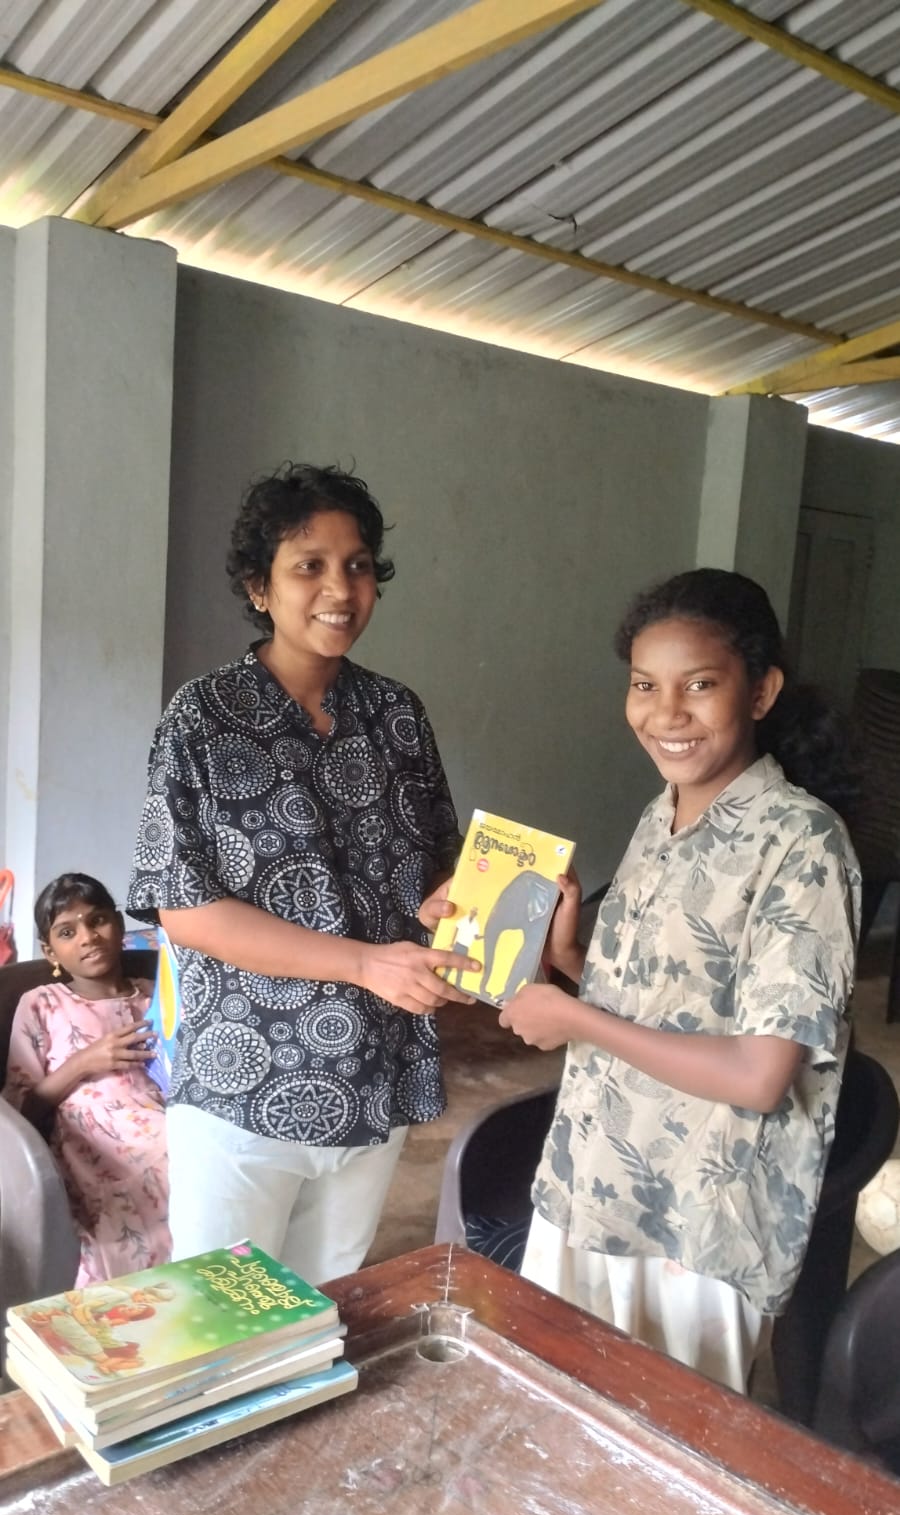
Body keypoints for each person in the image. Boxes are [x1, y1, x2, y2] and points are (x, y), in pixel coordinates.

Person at [499, 568, 861, 1393]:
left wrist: (576, 1020)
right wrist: (573, 961)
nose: (667, 713)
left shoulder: (802, 845)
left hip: (696, 1224)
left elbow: (759, 1073)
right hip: (593, 1181)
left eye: (699, 685)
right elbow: (672, 1005)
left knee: (666, 1444)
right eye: (645, 686)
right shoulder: (660, 814)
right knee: (560, 1415)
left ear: (761, 691)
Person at [127, 462, 477, 1284]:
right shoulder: (203, 718)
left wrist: (470, 906)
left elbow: (436, 867)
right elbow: (186, 910)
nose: (339, 589)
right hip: (247, 1081)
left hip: (376, 1071)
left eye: (358, 565)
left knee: (329, 1307)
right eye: (308, 566)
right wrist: (365, 963)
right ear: (260, 586)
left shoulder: (396, 715)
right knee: (224, 1316)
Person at [4, 873, 171, 1285]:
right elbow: (18, 1113)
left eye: (97, 921)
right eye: (67, 931)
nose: (88, 937)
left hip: (168, 1126)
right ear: (50, 950)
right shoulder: (42, 1004)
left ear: (118, 924)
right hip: (92, 1146)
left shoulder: (156, 995)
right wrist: (84, 1061)